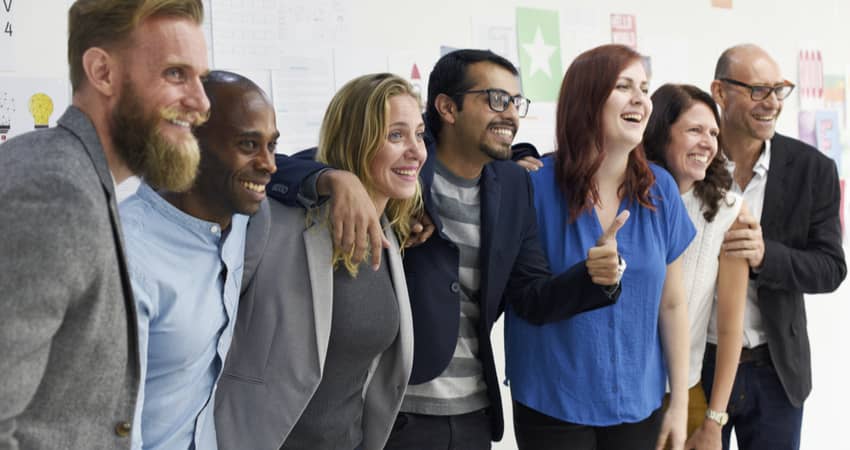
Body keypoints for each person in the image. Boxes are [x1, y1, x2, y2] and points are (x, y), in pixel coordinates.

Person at [268, 49, 623, 450]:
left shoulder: (512, 184)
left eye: (515, 102)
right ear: (447, 108)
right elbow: (276, 168)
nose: (509, 113)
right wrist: (333, 179)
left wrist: (593, 279)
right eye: (496, 99)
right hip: (396, 411)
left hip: (474, 412)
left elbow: (530, 296)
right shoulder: (403, 169)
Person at [0, 1, 208, 448]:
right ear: (102, 72)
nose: (201, 103)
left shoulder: (78, 177)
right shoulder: (56, 194)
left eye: (200, 79)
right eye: (176, 74)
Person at [215, 73, 423, 450]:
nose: (417, 151)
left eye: (419, 134)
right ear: (357, 140)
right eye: (396, 135)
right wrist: (333, 179)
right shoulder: (277, 221)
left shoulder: (390, 233)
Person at [504, 44, 694, 450]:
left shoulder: (661, 191)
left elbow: (673, 304)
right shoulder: (533, 187)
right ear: (587, 100)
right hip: (553, 402)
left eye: (644, 88)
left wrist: (679, 403)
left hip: (638, 404)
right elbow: (523, 296)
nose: (640, 99)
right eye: (623, 86)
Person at [120, 71, 277, 449]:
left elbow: (292, 167)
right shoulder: (126, 255)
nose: (269, 163)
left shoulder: (238, 215)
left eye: (271, 145)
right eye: (248, 144)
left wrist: (329, 180)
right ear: (187, 146)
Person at [701, 44, 846, 450]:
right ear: (720, 91)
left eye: (779, 90)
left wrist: (767, 257)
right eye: (758, 90)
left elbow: (831, 267)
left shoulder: (814, 169)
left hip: (777, 370)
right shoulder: (692, 162)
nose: (772, 103)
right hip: (700, 365)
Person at [643, 83, 749, 450]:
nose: (707, 142)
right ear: (659, 131)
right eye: (694, 130)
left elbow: (731, 325)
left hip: (684, 392)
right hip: (621, 395)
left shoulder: (728, 211)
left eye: (713, 133)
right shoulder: (623, 194)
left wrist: (715, 420)